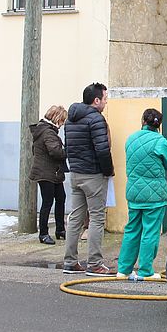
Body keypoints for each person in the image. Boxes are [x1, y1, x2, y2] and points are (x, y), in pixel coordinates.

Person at [115, 108, 167, 282]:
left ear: (143, 121)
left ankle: (123, 270)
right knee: (150, 232)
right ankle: (145, 270)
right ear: (158, 124)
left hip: (134, 193)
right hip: (155, 196)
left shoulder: (131, 139)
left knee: (132, 230)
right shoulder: (160, 141)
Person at [63, 82, 115, 276]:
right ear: (96, 100)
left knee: (75, 217)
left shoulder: (70, 119)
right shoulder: (96, 119)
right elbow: (102, 150)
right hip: (93, 174)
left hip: (76, 173)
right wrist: (108, 171)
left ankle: (70, 261)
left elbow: (68, 147)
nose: (106, 102)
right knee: (97, 218)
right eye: (105, 99)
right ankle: (94, 264)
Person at [29, 105, 69, 245]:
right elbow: (55, 152)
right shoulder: (48, 132)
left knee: (60, 198)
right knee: (48, 202)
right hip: (46, 173)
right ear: (57, 118)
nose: (62, 124)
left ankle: (60, 230)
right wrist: (68, 151)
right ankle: (44, 234)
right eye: (62, 120)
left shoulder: (44, 130)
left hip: (52, 172)